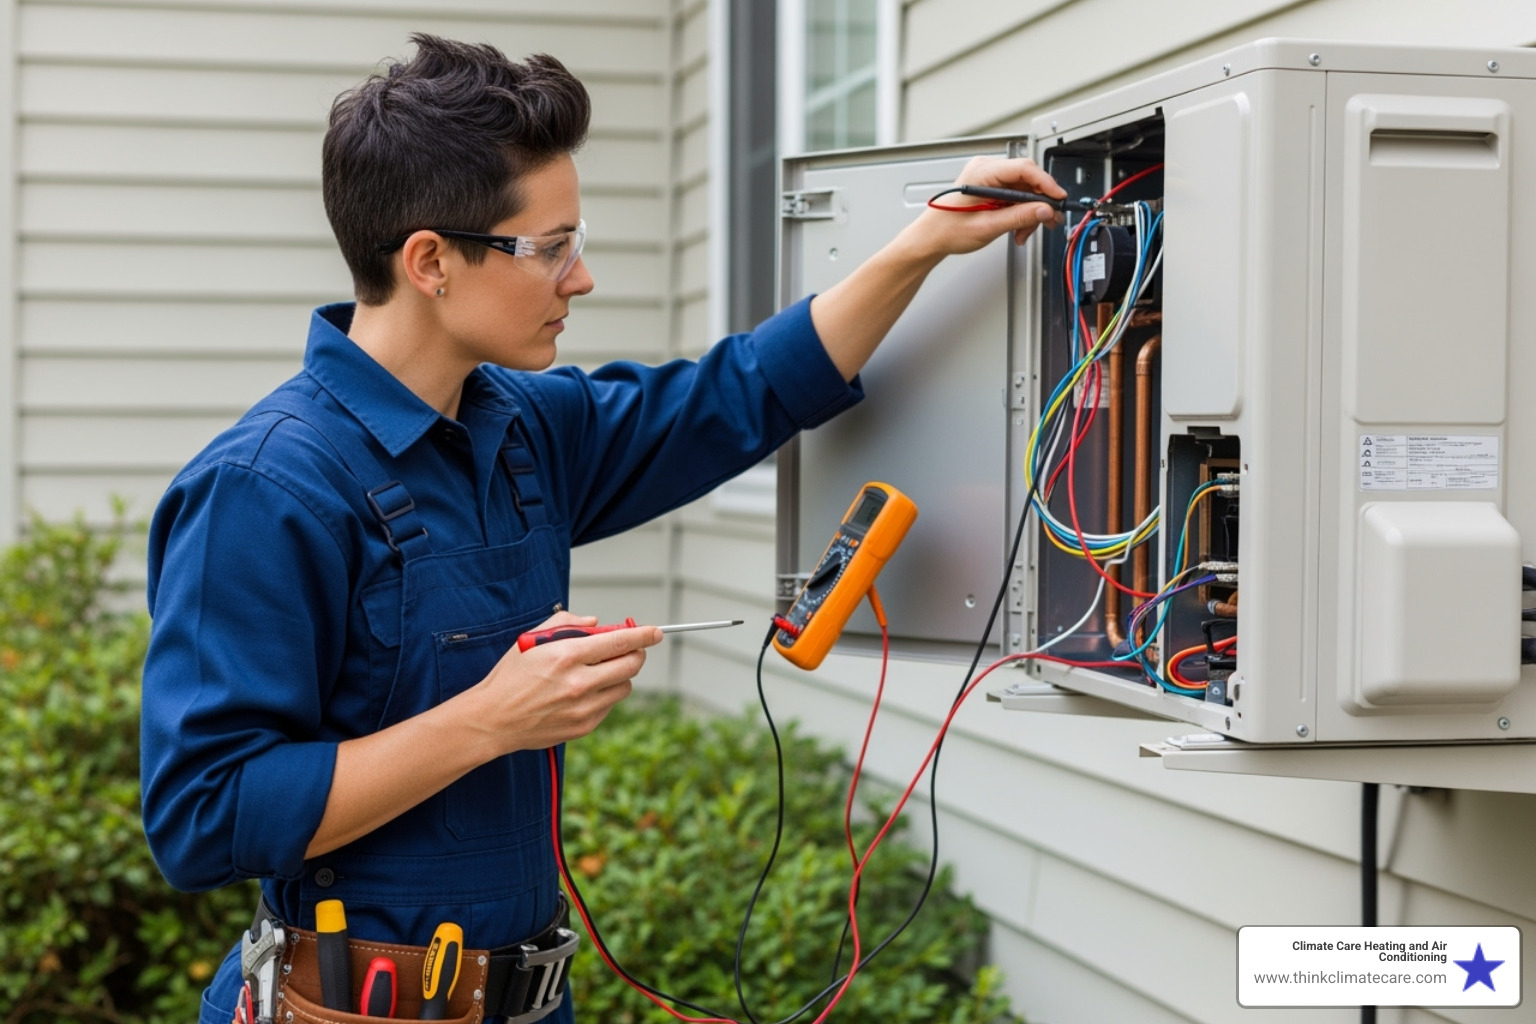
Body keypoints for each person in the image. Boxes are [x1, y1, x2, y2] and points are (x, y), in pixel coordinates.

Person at [139, 33, 1065, 1024]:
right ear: (430, 262)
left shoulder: (527, 426)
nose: (580, 279)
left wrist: (921, 243)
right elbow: (204, 814)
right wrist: (491, 718)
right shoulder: (267, 488)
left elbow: (741, 393)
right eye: (550, 248)